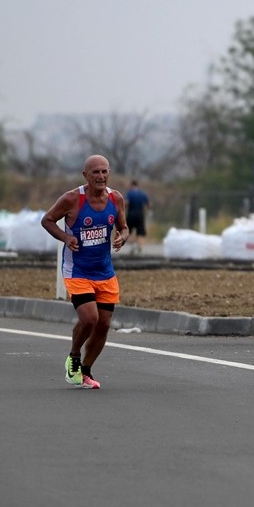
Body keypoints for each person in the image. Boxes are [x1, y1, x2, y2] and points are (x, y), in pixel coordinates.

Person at [41, 154, 129, 390]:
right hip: (77, 271)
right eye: (95, 172)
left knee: (104, 324)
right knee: (90, 318)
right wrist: (66, 237)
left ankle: (86, 371)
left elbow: (124, 226)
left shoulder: (115, 198)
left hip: (105, 272)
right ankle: (74, 356)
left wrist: (123, 237)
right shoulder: (72, 199)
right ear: (85, 175)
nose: (101, 176)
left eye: (104, 171)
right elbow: (47, 220)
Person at [124, 179, 151, 254]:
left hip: (131, 215)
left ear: (132, 185)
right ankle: (139, 247)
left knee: (127, 232)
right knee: (140, 232)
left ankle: (133, 245)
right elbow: (149, 205)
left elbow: (126, 203)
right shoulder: (143, 193)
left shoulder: (129, 193)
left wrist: (123, 208)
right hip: (140, 215)